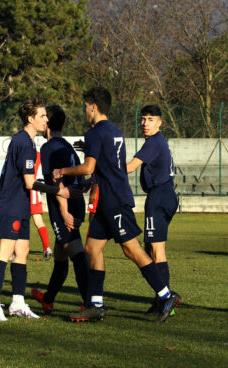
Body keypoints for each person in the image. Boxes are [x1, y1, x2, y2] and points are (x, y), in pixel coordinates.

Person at [53, 87, 180, 322]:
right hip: (107, 200)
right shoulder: (114, 130)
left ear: (93, 106)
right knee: (92, 249)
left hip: (113, 200)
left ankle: (165, 295)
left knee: (132, 249)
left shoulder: (94, 132)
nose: (84, 110)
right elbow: (111, 165)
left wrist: (63, 171)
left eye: (85, 106)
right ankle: (96, 305)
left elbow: (89, 167)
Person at [0, 99, 75, 321]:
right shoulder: (23, 142)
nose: (46, 120)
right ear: (30, 118)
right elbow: (29, 182)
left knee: (22, 252)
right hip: (11, 204)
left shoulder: (29, 142)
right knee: (5, 251)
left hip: (21, 204)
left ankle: (17, 303)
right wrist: (57, 191)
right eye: (42, 116)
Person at [31, 105, 90, 313]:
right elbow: (78, 179)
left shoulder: (48, 149)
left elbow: (57, 185)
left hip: (63, 208)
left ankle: (89, 302)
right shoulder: (67, 145)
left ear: (47, 123)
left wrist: (64, 212)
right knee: (60, 255)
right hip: (76, 203)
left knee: (75, 251)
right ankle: (48, 298)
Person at [126, 105, 180, 316]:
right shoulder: (156, 141)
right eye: (143, 119)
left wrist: (103, 169)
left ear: (159, 122)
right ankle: (161, 299)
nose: (145, 123)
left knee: (156, 252)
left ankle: (165, 301)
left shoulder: (154, 142)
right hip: (164, 195)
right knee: (153, 249)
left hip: (159, 196)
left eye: (150, 119)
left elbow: (130, 167)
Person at [30, 152, 53, 261]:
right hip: (35, 191)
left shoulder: (21, 152)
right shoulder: (40, 154)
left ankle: (12, 251)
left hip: (23, 191)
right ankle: (47, 248)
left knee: (17, 222)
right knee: (39, 221)